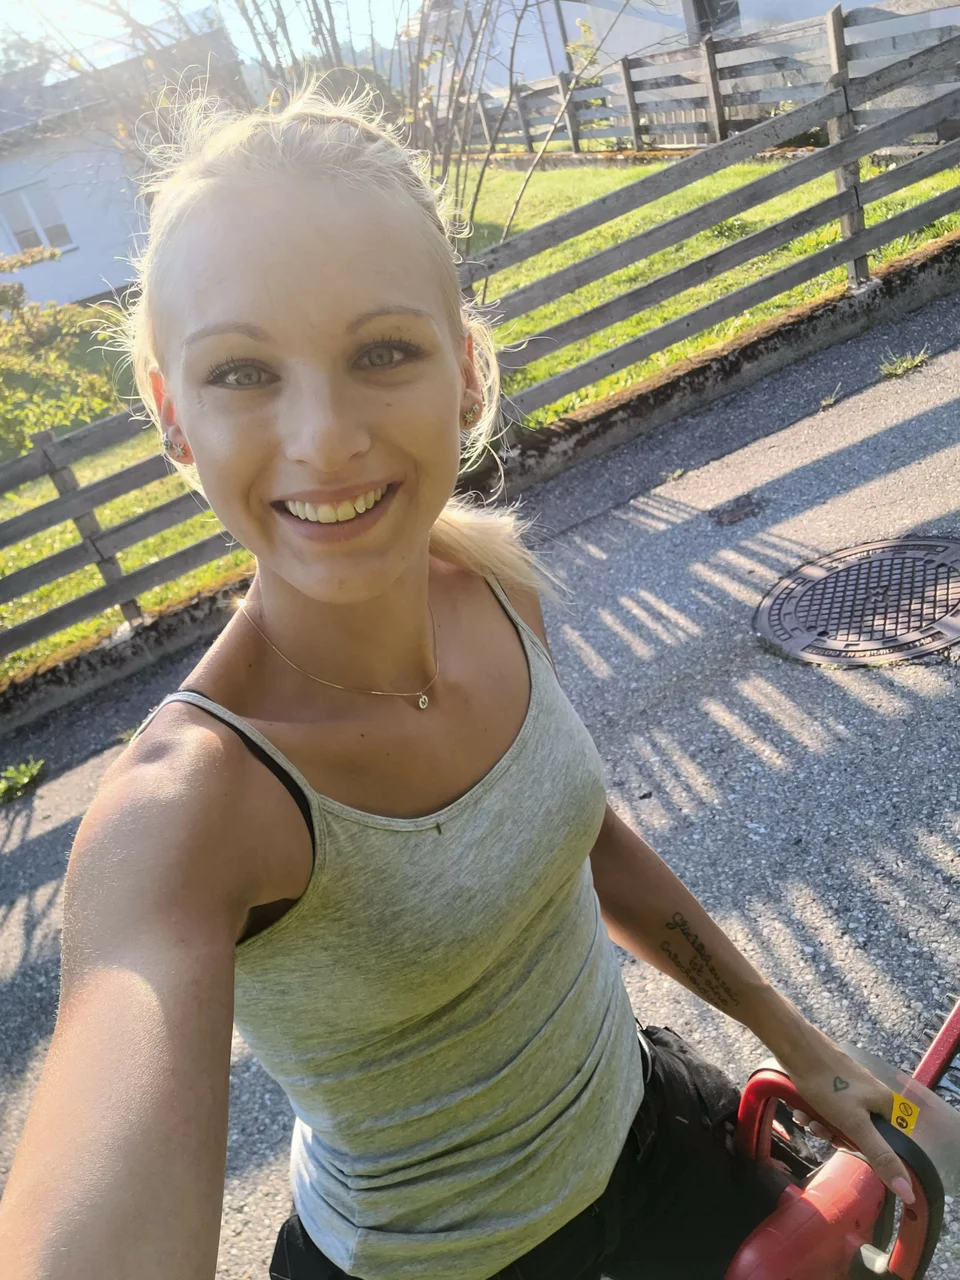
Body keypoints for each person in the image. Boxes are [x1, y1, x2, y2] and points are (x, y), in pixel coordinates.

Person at [0, 81, 917, 1280]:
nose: (325, 437)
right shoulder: (185, 808)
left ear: (467, 371)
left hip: (651, 1137)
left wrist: (801, 1041)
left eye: (382, 350)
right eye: (241, 371)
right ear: (174, 420)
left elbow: (577, 834)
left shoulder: (495, 587)